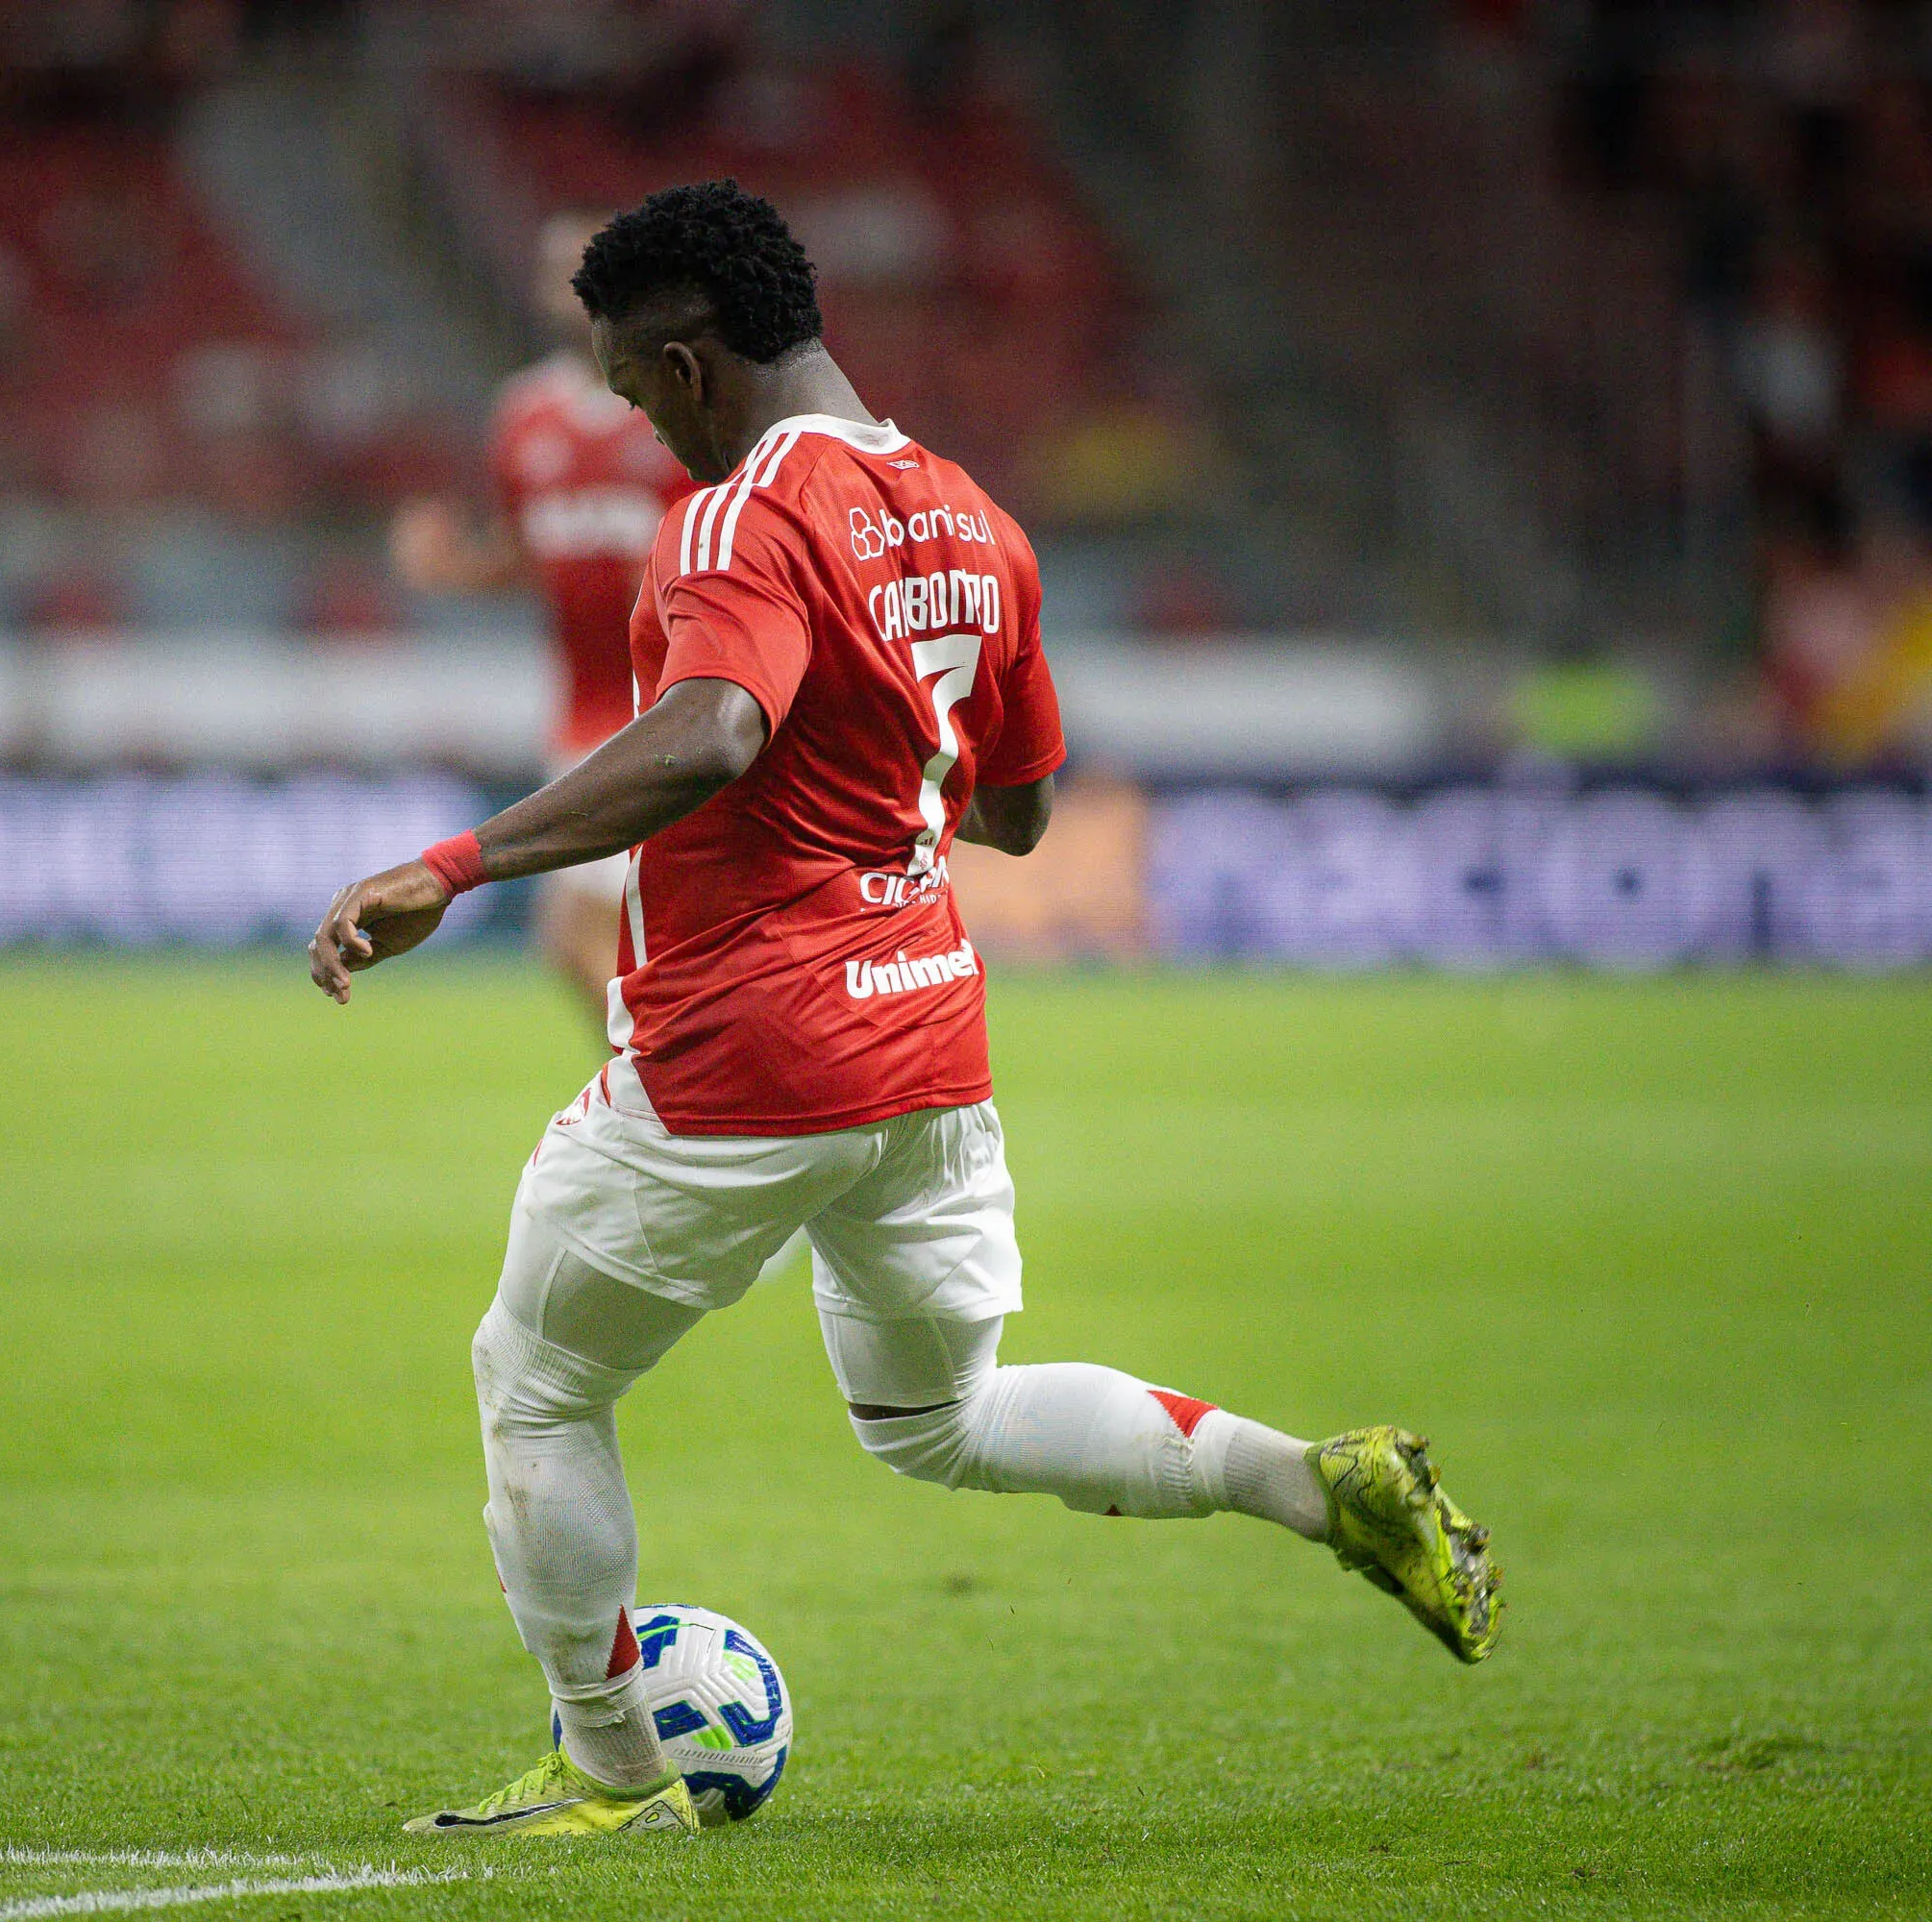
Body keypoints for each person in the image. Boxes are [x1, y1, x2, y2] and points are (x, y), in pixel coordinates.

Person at [308, 181, 1503, 1842]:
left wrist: (459, 862)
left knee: (535, 1376)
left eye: (636, 391)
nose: (636, 426)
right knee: (944, 1419)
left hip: (752, 1048)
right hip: (928, 1039)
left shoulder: (739, 516)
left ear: (691, 360)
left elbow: (717, 731)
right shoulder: (967, 516)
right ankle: (1309, 1480)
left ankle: (605, 1760)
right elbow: (1017, 812)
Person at [390, 209, 693, 1019]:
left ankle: (684, 1100)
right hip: (578, 719)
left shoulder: (677, 407)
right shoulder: (522, 416)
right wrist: (450, 568)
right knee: (607, 946)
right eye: (554, 274)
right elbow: (535, 557)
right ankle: (684, 1103)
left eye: (585, 272)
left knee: (576, 936)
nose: (568, 293)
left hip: (670, 712)